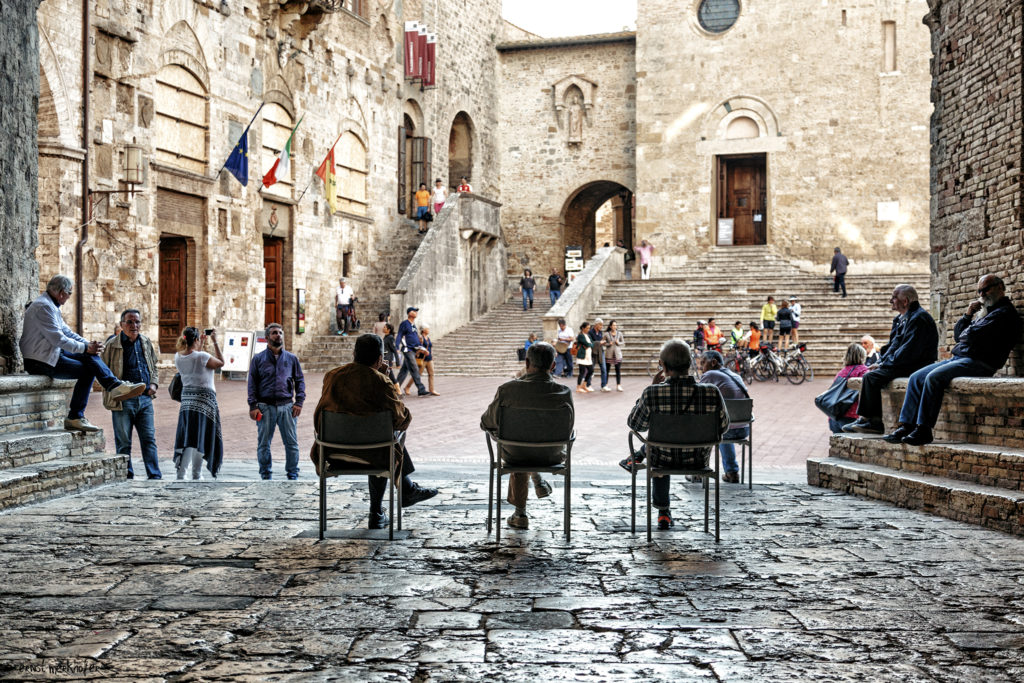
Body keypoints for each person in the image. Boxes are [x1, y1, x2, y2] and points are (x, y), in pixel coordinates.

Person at [311, 333, 438, 529]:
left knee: (380, 440)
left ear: (354, 353)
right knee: (386, 441)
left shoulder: (332, 376)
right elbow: (402, 419)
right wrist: (385, 379)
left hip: (332, 453)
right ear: (380, 359)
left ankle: (406, 491)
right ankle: (383, 507)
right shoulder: (380, 381)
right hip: (374, 455)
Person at [883, 274, 1022, 446]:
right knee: (916, 377)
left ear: (1000, 287)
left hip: (979, 363)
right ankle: (906, 426)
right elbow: (959, 335)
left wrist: (969, 331)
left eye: (986, 289)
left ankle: (924, 429)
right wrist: (968, 314)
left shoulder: (1004, 313)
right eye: (979, 291)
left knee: (933, 378)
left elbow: (971, 335)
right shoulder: (985, 313)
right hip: (960, 358)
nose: (982, 294)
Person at [621, 340, 729, 530]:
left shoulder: (652, 393)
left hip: (662, 460)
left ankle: (663, 511)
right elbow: (724, 426)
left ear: (663, 365)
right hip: (697, 460)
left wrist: (646, 393)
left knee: (658, 448)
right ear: (690, 363)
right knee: (658, 446)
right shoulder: (712, 392)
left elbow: (635, 424)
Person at [21, 275, 146, 433]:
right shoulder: (44, 307)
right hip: (39, 361)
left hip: (50, 355)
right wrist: (85, 348)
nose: (69, 297)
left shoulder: (50, 306)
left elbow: (67, 332)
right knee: (88, 369)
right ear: (61, 293)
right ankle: (76, 416)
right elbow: (58, 339)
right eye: (69, 294)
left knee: (88, 357)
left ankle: (113, 386)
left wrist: (88, 345)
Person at [480, 342, 572, 530]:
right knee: (529, 440)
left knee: (518, 443)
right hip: (551, 455)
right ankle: (536, 480)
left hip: (515, 454)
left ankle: (520, 513)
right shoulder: (564, 393)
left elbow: (486, 423)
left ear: (527, 361)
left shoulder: (507, 390)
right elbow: (569, 428)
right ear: (553, 365)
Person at [843, 284, 938, 434]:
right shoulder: (902, 319)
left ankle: (873, 422)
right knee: (871, 374)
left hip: (917, 365)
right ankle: (866, 419)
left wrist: (885, 364)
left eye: (894, 297)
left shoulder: (919, 318)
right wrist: (881, 362)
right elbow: (893, 346)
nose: (891, 301)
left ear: (905, 301)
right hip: (905, 362)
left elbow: (908, 351)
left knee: (871, 377)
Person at [101, 308, 161, 479]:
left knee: (149, 439)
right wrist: (114, 389)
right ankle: (126, 475)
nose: (134, 325)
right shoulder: (112, 345)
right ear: (121, 325)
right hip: (123, 401)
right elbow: (101, 371)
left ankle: (155, 475)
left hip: (145, 399)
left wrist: (154, 384)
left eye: (137, 322)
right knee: (123, 442)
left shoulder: (146, 342)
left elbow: (154, 367)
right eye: (129, 322)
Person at [248, 323, 306, 480]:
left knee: (291, 443)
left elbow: (300, 381)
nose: (278, 335)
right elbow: (252, 384)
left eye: (280, 333)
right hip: (265, 407)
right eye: (274, 333)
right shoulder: (258, 359)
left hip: (287, 407)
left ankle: (292, 473)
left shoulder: (292, 359)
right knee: (264, 444)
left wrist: (299, 402)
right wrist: (253, 405)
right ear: (267, 337)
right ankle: (265, 474)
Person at [173, 326, 224, 480]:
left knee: (189, 437)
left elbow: (195, 358)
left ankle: (181, 473)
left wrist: (200, 344)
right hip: (204, 401)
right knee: (202, 436)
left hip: (187, 401)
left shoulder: (178, 356)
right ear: (195, 339)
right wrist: (214, 341)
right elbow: (221, 362)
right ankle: (197, 473)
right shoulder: (201, 356)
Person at [699, 350, 750, 483]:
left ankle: (697, 472)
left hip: (725, 430)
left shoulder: (710, 374)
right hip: (744, 428)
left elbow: (697, 398)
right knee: (723, 425)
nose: (701, 367)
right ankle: (732, 472)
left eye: (703, 363)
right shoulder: (736, 375)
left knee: (703, 426)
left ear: (714, 362)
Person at [828, 343, 870, 433]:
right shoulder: (864, 371)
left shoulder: (842, 372)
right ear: (863, 356)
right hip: (852, 418)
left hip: (834, 417)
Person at [395, 307, 431, 397]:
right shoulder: (404, 323)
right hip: (408, 350)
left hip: (414, 349)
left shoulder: (413, 325)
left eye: (416, 311)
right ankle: (421, 389)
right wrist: (396, 347)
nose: (415, 313)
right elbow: (399, 335)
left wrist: (423, 349)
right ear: (409, 313)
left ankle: (395, 388)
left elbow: (416, 339)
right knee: (414, 368)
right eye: (413, 311)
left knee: (404, 370)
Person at [403, 324, 440, 396]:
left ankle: (431, 390)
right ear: (423, 330)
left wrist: (431, 355)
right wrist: (423, 352)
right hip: (422, 359)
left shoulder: (428, 338)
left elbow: (430, 347)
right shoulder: (420, 338)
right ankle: (407, 387)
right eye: (427, 329)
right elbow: (417, 348)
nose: (429, 330)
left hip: (429, 359)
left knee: (431, 374)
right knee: (417, 375)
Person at [604, 319, 625, 392]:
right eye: (613, 325)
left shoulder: (619, 333)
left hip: (617, 354)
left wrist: (618, 342)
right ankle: (605, 385)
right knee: (607, 370)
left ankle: (618, 385)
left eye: (616, 325)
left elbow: (623, 342)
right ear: (610, 326)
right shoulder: (606, 334)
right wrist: (608, 344)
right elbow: (603, 343)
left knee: (618, 370)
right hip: (609, 354)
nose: (615, 326)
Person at [383, 322, 403, 395]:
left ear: (388, 330)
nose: (383, 328)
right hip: (385, 359)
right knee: (387, 376)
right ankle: (394, 391)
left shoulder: (390, 338)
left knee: (391, 375)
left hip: (388, 360)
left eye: (385, 327)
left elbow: (394, 350)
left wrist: (398, 362)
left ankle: (398, 391)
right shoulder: (386, 337)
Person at [590, 318, 609, 391]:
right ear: (596, 324)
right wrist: (599, 342)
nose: (601, 326)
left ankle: (603, 385)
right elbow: (591, 342)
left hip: (601, 351)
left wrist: (603, 342)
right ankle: (588, 384)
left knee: (604, 368)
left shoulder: (600, 332)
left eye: (602, 325)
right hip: (593, 352)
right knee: (591, 369)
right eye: (600, 325)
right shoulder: (591, 332)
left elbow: (600, 341)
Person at [575, 322, 594, 393]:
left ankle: (584, 385)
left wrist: (590, 345)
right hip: (582, 357)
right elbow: (587, 343)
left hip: (588, 357)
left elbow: (592, 344)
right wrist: (589, 344)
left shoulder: (588, 335)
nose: (588, 329)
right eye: (587, 328)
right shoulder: (581, 336)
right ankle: (578, 387)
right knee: (582, 372)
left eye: (589, 328)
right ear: (583, 328)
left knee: (591, 370)